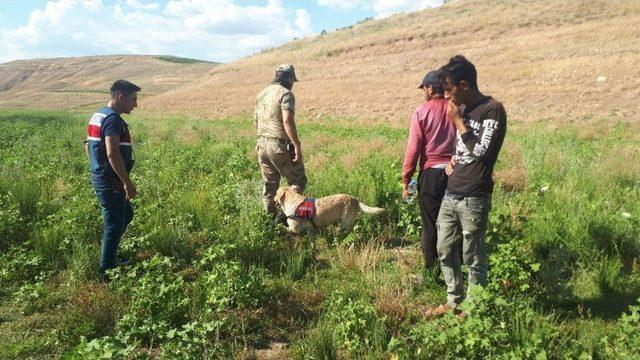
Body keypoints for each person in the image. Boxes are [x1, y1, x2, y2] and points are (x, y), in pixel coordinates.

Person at [425, 55, 507, 317]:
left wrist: (459, 123)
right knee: (445, 248)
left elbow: (483, 151)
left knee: (472, 255)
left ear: (464, 85)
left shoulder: (492, 110)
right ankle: (453, 301)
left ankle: (474, 309)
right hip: (452, 191)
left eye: (449, 89)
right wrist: (453, 161)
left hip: (474, 196)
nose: (446, 95)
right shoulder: (464, 109)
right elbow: (465, 149)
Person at [402, 70, 456, 275]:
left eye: (424, 88)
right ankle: (454, 267)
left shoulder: (422, 111)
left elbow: (413, 148)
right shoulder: (456, 109)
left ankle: (432, 271)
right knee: (453, 223)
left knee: (430, 224)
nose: (423, 92)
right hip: (455, 173)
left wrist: (406, 178)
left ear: (431, 88)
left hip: (431, 175)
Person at [85, 79, 140, 279]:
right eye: (133, 99)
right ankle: (106, 271)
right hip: (111, 182)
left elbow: (88, 144)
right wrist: (127, 182)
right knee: (114, 224)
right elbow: (112, 153)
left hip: (104, 177)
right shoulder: (113, 120)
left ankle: (110, 253)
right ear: (120, 97)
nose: (135, 104)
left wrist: (95, 167)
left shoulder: (98, 114)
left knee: (126, 215)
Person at [254, 64, 307, 218]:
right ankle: (285, 217)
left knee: (270, 187)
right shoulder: (286, 94)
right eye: (293, 81)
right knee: (298, 181)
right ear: (289, 78)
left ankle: (269, 221)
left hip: (261, 144)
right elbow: (287, 121)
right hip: (278, 146)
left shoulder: (261, 94)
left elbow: (256, 123)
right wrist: (296, 144)